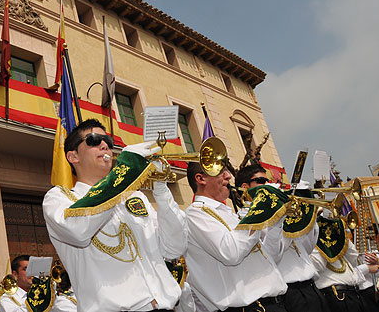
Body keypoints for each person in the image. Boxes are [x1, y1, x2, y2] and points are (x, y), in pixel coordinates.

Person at [43, 119, 187, 312]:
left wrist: (161, 190)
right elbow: (78, 231)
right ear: (73, 156)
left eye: (108, 142)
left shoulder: (135, 196)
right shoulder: (59, 198)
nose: (105, 146)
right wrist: (125, 172)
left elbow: (173, 249)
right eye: (93, 140)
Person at [185, 161, 289, 312]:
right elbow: (231, 253)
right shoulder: (195, 214)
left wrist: (276, 223)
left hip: (273, 303)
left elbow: (272, 257)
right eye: (221, 172)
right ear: (201, 179)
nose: (228, 176)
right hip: (248, 308)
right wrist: (260, 209)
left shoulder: (229, 213)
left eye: (227, 171)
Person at [235, 164, 330, 312]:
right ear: (246, 187)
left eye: (267, 180)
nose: (267, 184)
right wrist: (280, 218)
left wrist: (308, 214)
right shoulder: (246, 218)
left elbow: (307, 247)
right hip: (290, 292)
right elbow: (272, 255)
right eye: (260, 181)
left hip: (311, 287)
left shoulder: (279, 207)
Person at [310, 218, 379, 312]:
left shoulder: (338, 247)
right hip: (336, 295)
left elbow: (353, 257)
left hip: (353, 293)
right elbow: (318, 265)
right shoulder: (312, 247)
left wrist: (343, 234)